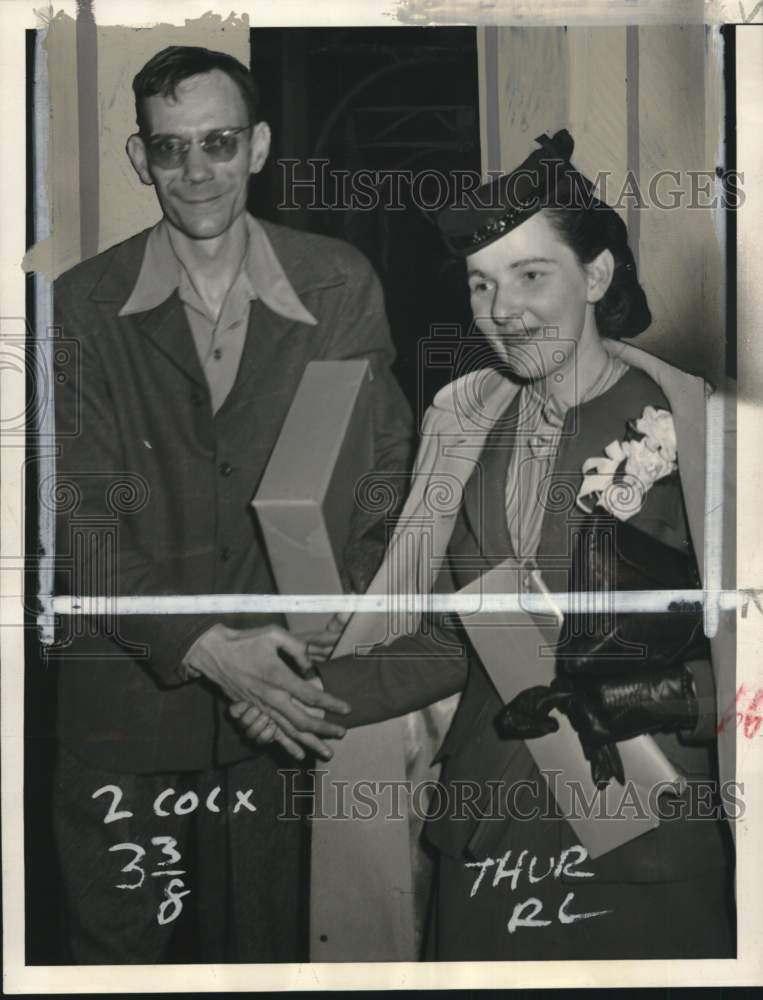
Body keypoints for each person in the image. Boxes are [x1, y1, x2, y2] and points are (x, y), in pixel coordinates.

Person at [233, 130, 736, 960]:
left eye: (530, 276)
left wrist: (655, 695)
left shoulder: (698, 430)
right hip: (489, 833)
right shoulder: (469, 428)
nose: (502, 310)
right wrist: (312, 693)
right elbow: (458, 640)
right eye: (481, 284)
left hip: (646, 844)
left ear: (596, 277)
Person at [50, 44, 412, 964]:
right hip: (126, 713)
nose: (196, 170)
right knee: (123, 965)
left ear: (257, 146)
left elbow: (379, 478)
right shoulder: (80, 305)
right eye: (169, 148)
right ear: (140, 160)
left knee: (269, 956)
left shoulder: (337, 284)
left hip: (279, 715)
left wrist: (314, 640)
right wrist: (208, 648)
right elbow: (75, 516)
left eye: (217, 142)